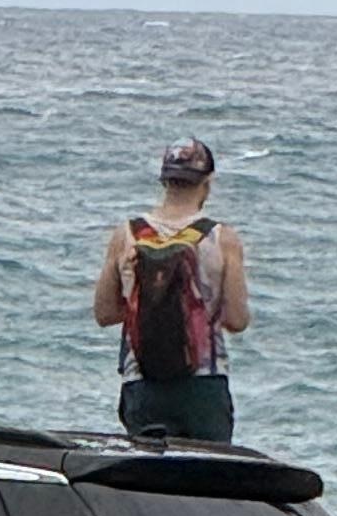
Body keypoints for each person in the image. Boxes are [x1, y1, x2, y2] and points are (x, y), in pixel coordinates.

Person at [92, 135, 250, 441]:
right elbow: (237, 320)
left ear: (165, 181)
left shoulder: (128, 234)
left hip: (142, 383)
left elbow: (104, 313)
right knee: (207, 481)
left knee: (149, 482)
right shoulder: (222, 238)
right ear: (208, 182)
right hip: (203, 387)